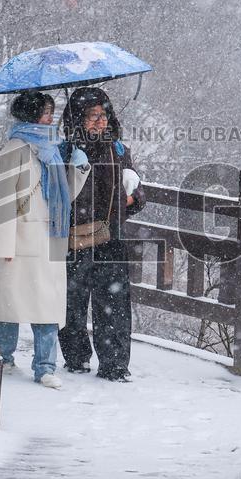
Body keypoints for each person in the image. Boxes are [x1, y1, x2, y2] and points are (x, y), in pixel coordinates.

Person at [0, 91, 90, 389]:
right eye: (45, 112)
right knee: (9, 305)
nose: (50, 118)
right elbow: (2, 200)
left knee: (48, 307)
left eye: (51, 112)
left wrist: (79, 167)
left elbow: (64, 196)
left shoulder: (54, 150)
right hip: (19, 238)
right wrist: (4, 244)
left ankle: (45, 367)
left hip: (51, 236)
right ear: (30, 114)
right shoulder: (14, 148)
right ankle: (1, 359)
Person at [58, 87, 146, 382]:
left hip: (111, 239)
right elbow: (60, 197)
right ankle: (76, 358)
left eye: (104, 114)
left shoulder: (118, 150)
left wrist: (129, 198)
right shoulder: (66, 152)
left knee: (114, 306)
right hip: (73, 239)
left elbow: (139, 196)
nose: (99, 121)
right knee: (72, 304)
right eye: (91, 115)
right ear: (77, 118)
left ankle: (115, 365)